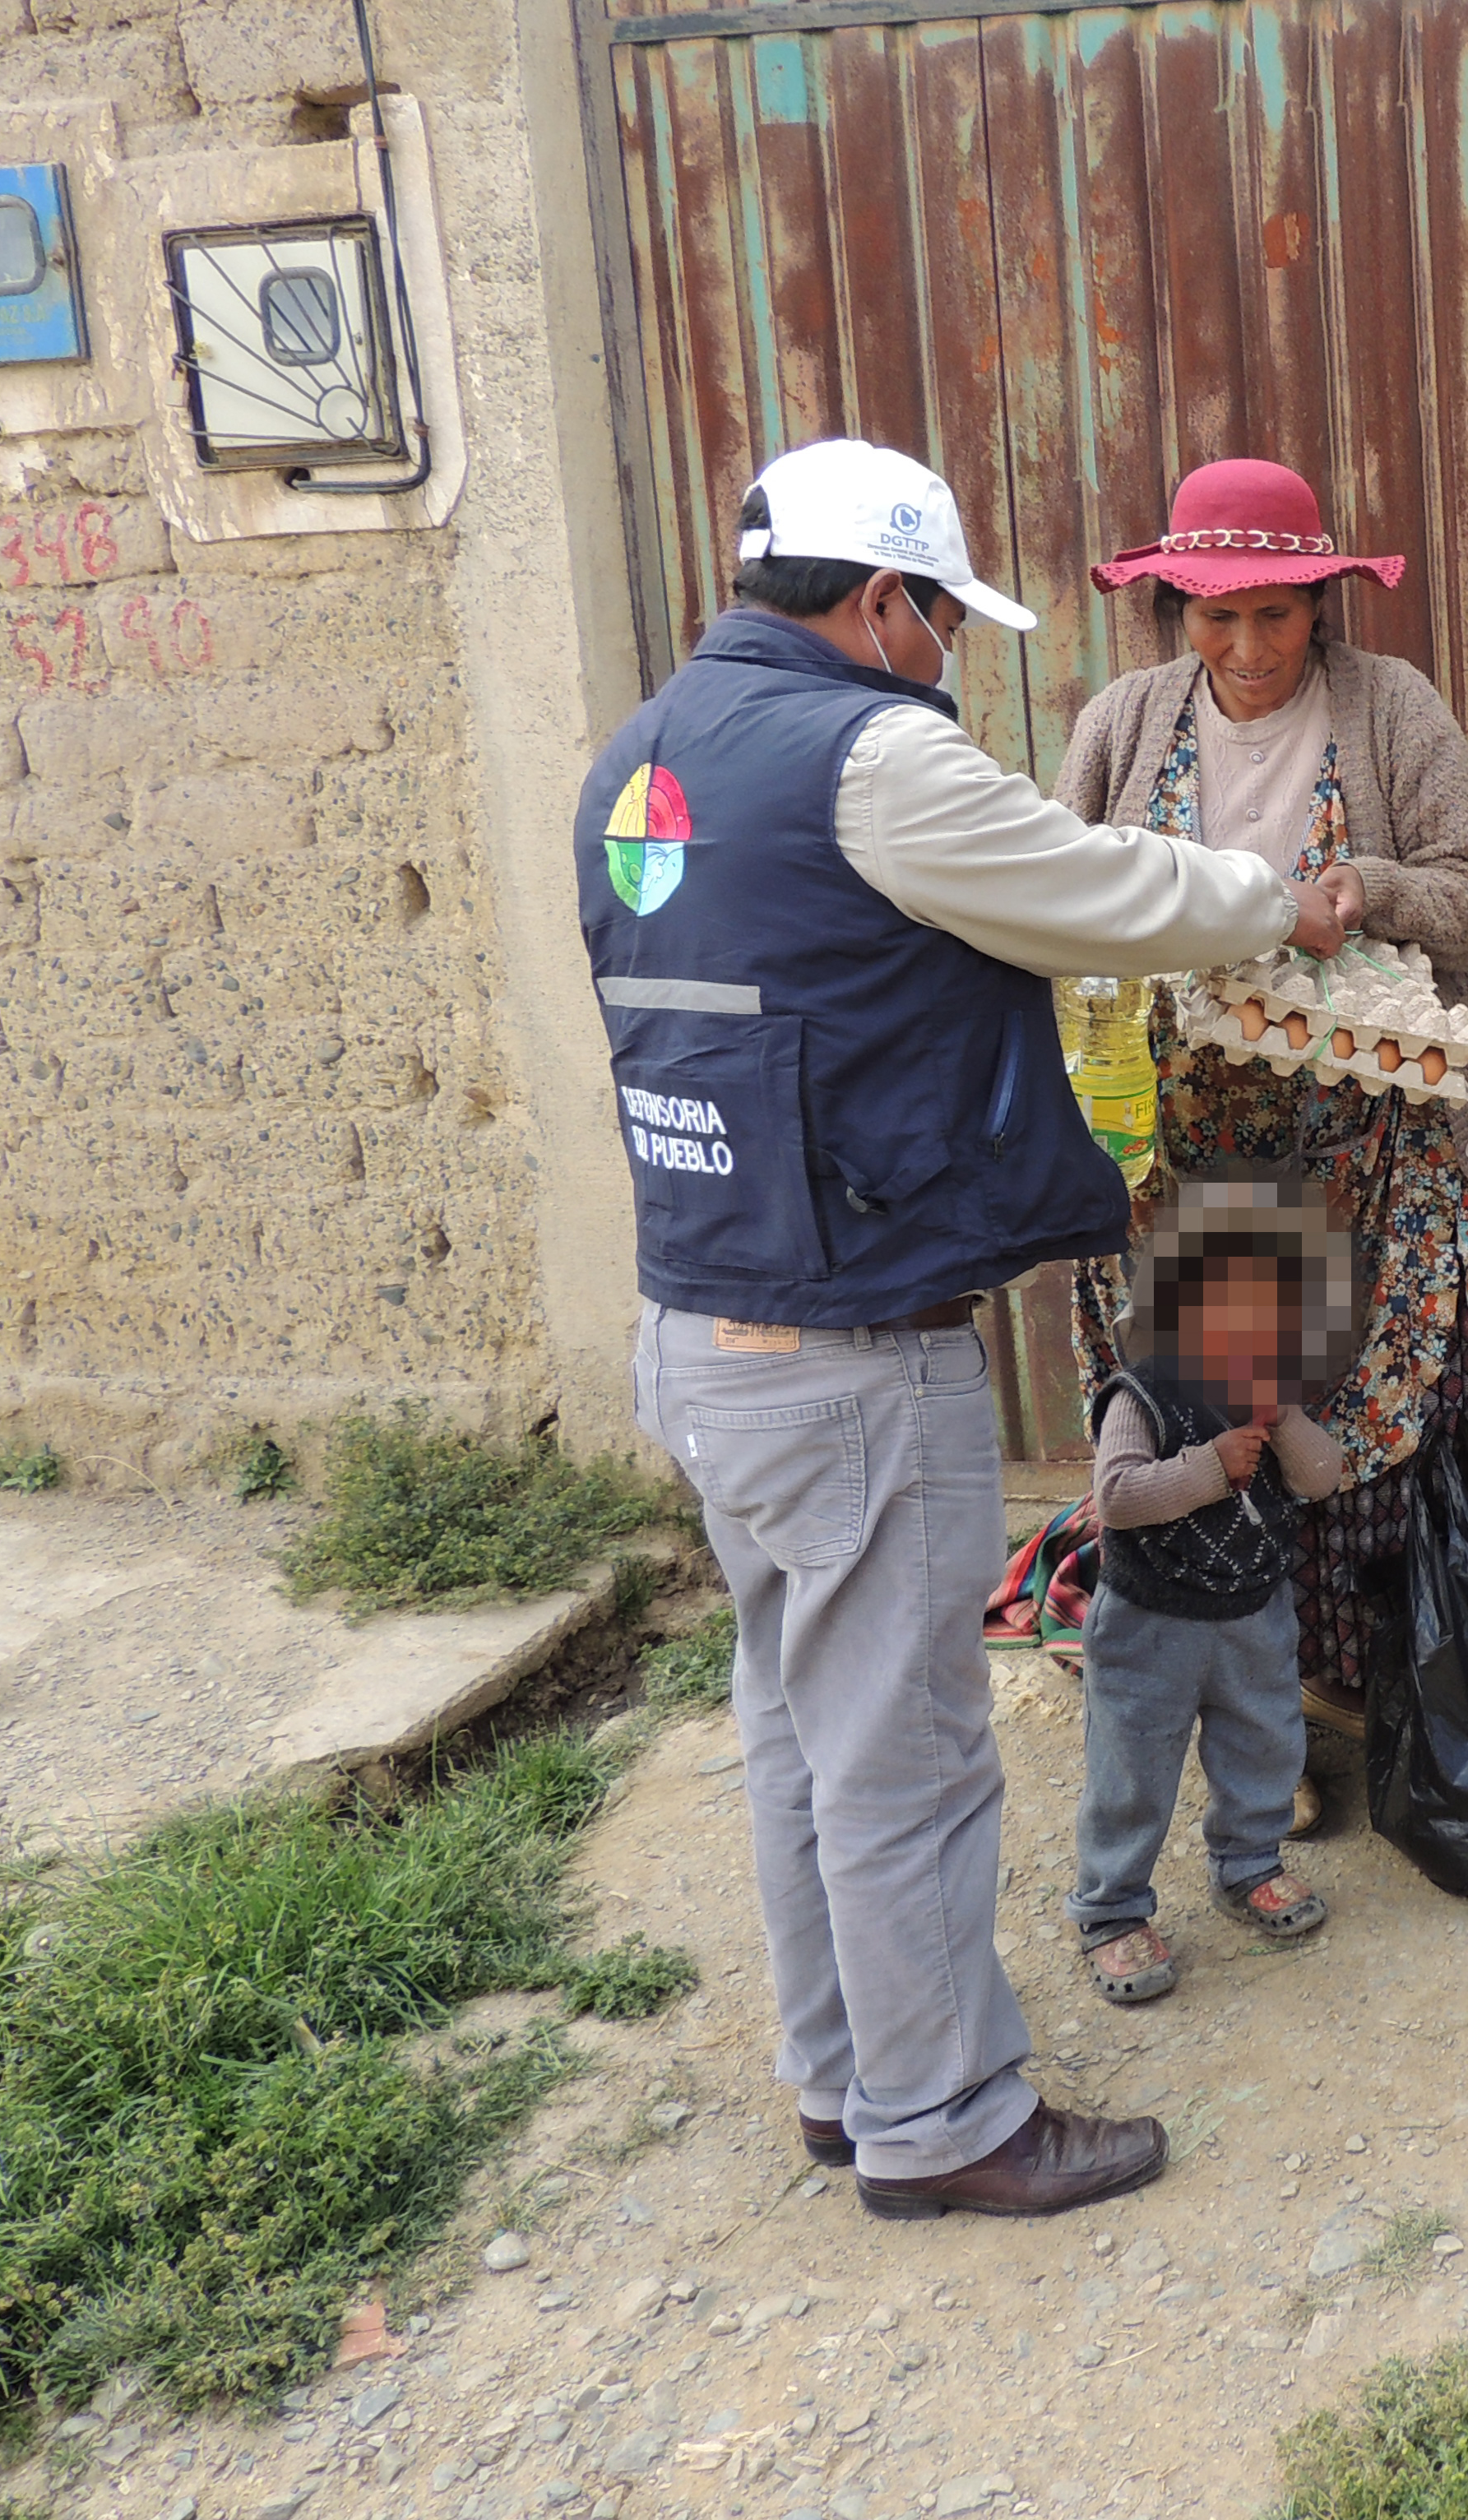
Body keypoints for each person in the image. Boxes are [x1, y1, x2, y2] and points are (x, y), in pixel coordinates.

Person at [576, 438, 1349, 2224]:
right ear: (880, 603)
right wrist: (1274, 901)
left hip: (702, 1319)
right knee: (908, 1757)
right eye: (941, 622)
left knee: (800, 1733)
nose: (950, 658)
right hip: (847, 1351)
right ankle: (948, 2124)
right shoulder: (870, 755)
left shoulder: (640, 756)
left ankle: (848, 2081)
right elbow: (1106, 887)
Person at [1059, 457, 1468, 1753]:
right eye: (1214, 615)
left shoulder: (1393, 709)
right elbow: (1056, 896)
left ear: (1321, 602)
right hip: (1178, 1147)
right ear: (1175, 607)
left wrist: (1370, 889)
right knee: (1206, 1412)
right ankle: (1240, 1710)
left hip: (1369, 1135)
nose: (1245, 645)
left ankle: (1367, 1674)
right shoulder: (1124, 722)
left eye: (1273, 614)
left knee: (1355, 1404)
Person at [1071, 1174, 1350, 2007]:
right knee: (1133, 1768)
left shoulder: (1270, 1395)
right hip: (1150, 1622)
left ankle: (1249, 1866)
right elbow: (1117, 1496)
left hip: (1251, 1614)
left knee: (1263, 1743)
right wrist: (1206, 1468)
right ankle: (1112, 1910)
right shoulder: (1142, 1394)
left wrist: (1287, 1419)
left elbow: (1325, 1478)